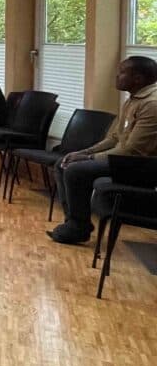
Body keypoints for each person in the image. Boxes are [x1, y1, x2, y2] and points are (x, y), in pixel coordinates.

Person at [48, 55, 157, 244]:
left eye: (122, 72)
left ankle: (77, 227)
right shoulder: (133, 100)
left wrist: (89, 160)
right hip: (124, 159)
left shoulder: (151, 104)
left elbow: (132, 150)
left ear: (138, 78)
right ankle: (75, 223)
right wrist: (85, 153)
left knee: (76, 170)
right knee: (63, 163)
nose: (117, 76)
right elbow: (114, 138)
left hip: (143, 166)